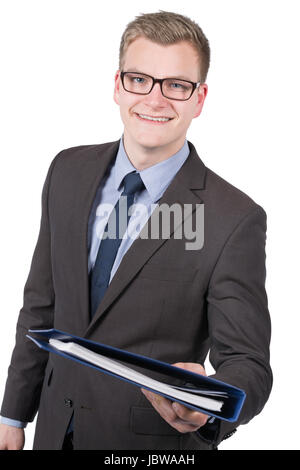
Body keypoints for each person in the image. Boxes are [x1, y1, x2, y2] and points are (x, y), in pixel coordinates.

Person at [0, 10, 272, 450]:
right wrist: (12, 415)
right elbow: (41, 306)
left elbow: (248, 362)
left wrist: (207, 403)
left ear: (199, 99)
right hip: (51, 432)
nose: (155, 99)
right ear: (117, 85)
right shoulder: (67, 170)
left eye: (176, 85)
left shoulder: (232, 217)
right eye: (140, 79)